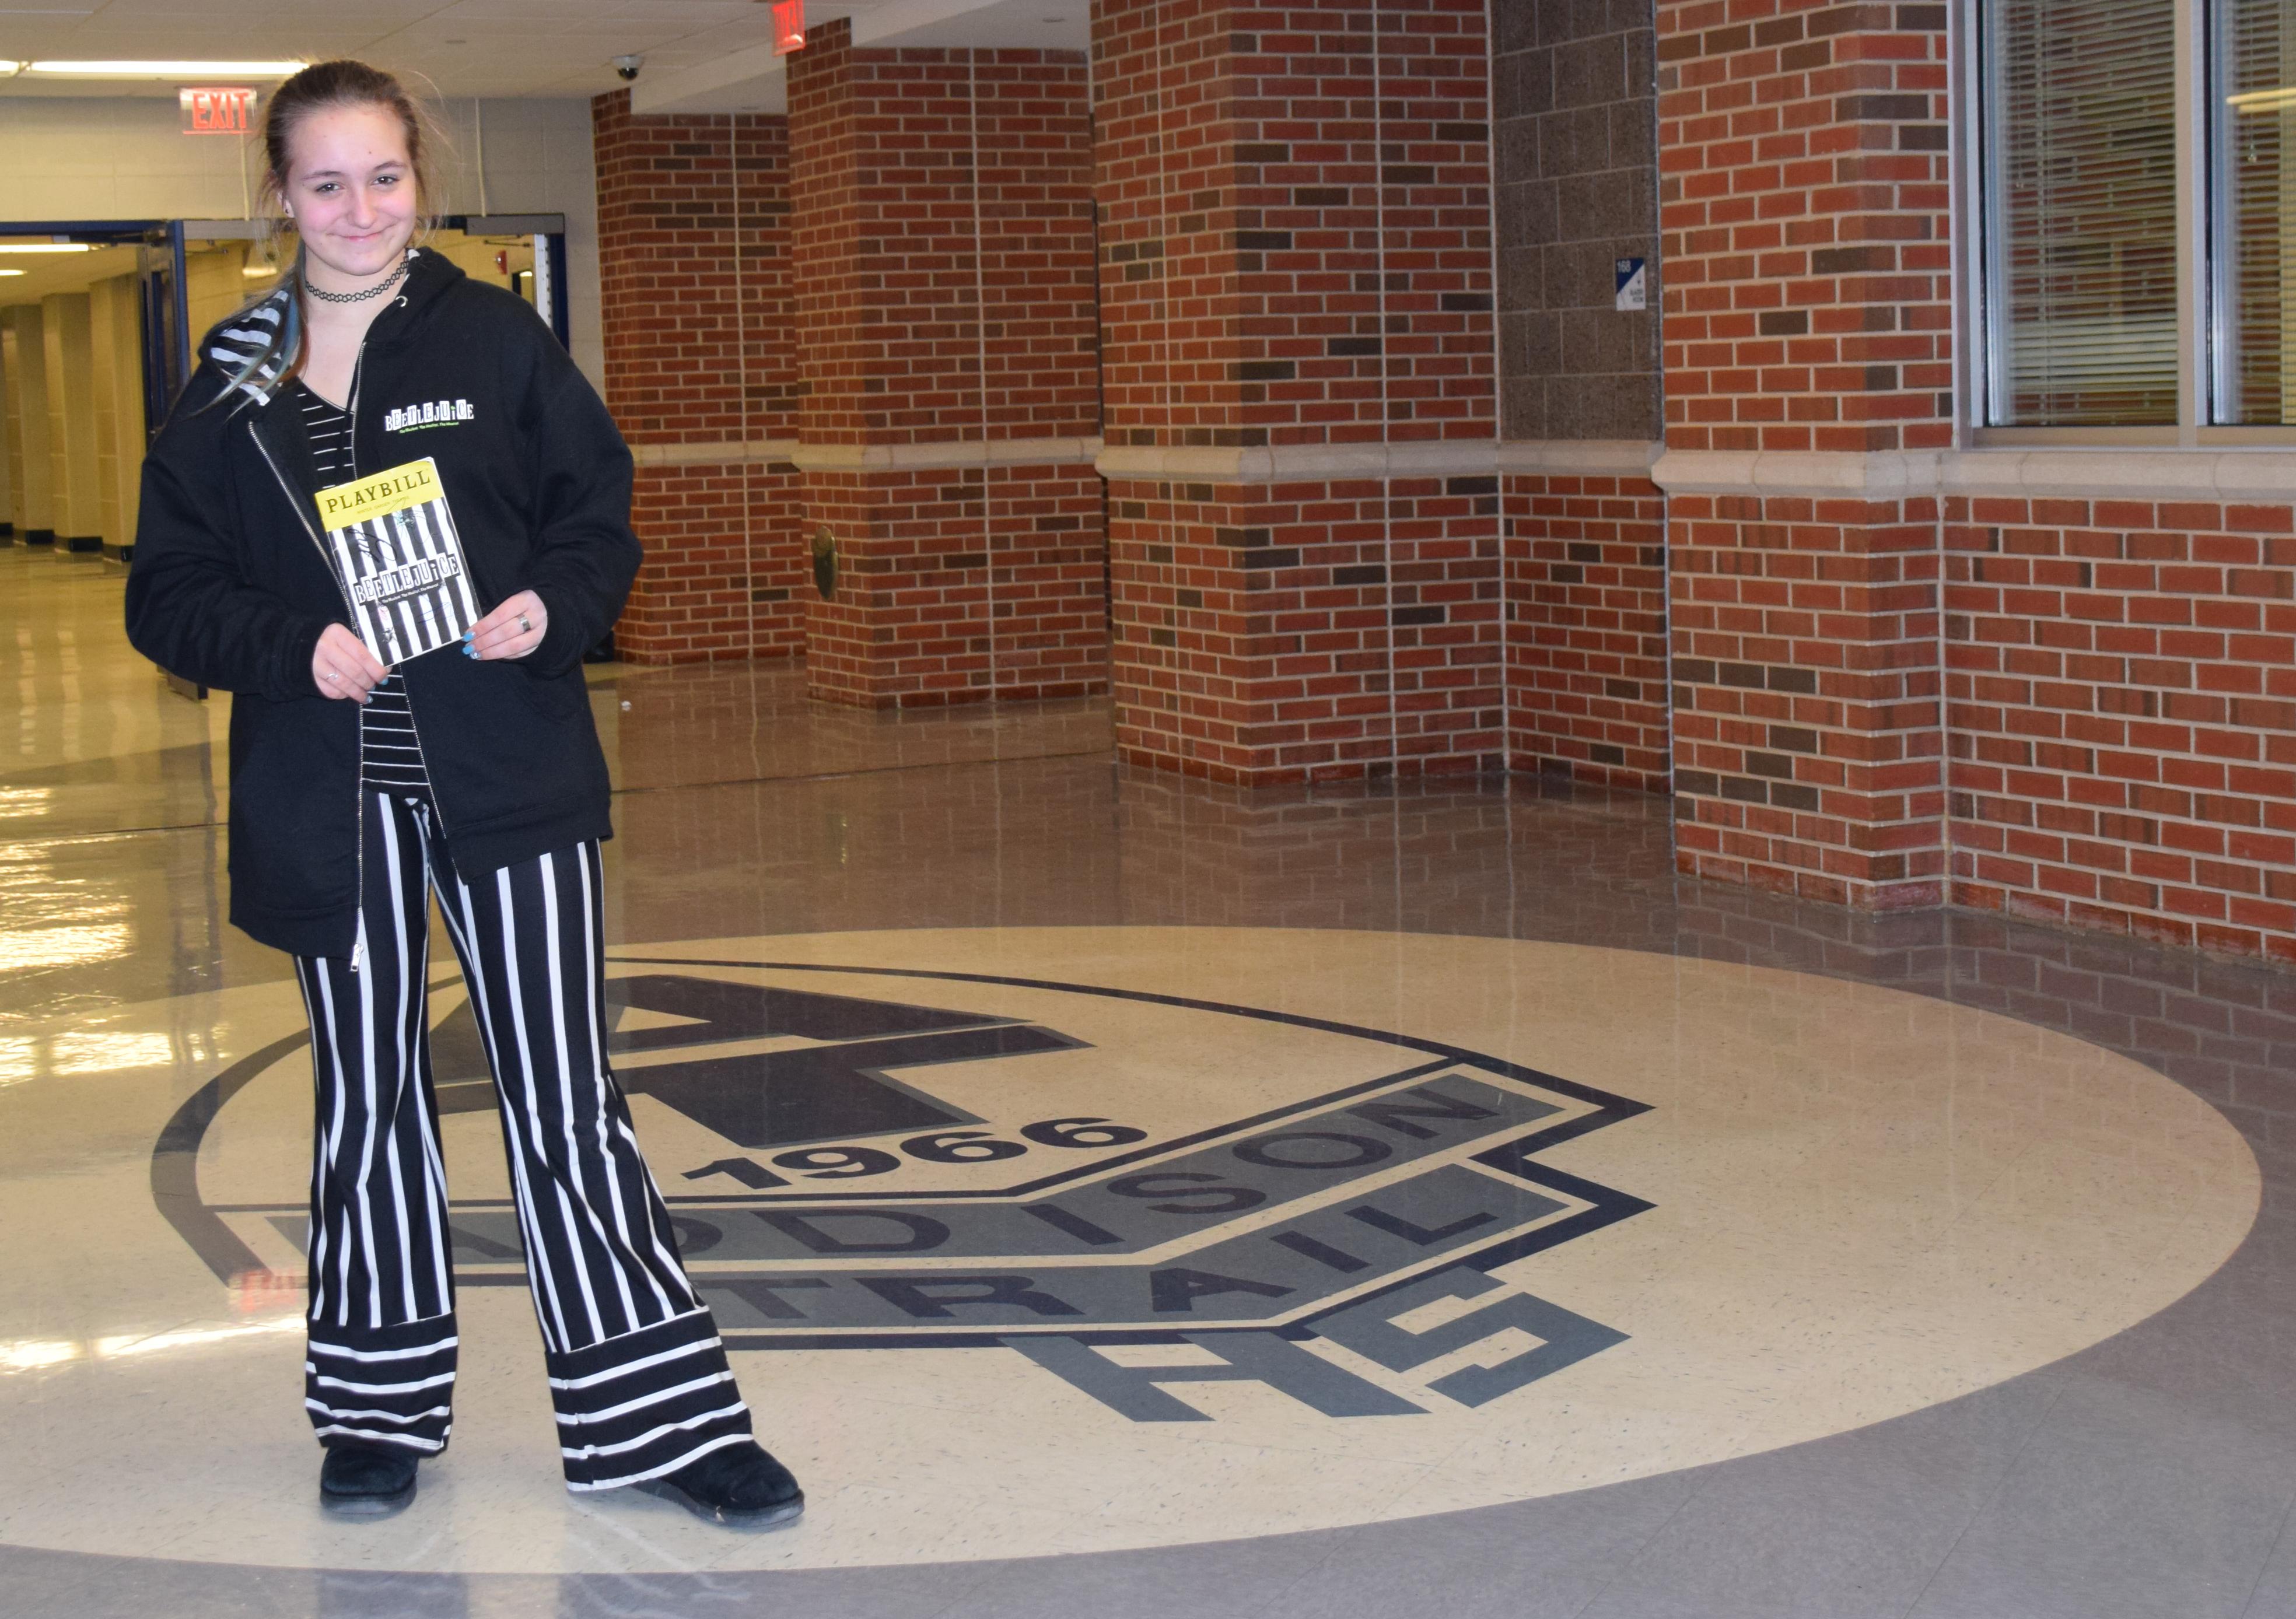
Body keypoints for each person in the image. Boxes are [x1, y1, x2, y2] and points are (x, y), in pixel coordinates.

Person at [124, 59, 802, 1528]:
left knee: (565, 1095)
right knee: (367, 1098)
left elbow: (595, 517)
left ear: (419, 178)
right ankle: (375, 1407)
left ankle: (660, 1418)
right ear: (280, 194)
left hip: (507, 778)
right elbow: (165, 592)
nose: (360, 209)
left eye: (385, 176)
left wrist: (554, 607)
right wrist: (290, 645)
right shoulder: (233, 376)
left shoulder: (495, 337)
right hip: (332, 796)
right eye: (326, 183)